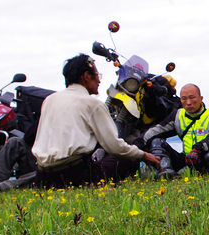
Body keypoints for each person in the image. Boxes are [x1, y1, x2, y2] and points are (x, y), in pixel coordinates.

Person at [31, 53, 160, 188]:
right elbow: (114, 147)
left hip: (42, 177)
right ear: (86, 76)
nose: (99, 80)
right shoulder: (92, 104)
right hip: (74, 175)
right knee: (129, 159)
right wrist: (143, 154)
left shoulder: (49, 100)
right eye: (98, 75)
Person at [139, 83, 209, 179]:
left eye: (192, 97)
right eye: (184, 99)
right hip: (187, 159)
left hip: (205, 156)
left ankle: (205, 174)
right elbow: (156, 130)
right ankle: (165, 172)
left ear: (201, 98)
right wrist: (137, 145)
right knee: (156, 142)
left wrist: (199, 148)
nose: (188, 102)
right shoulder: (178, 115)